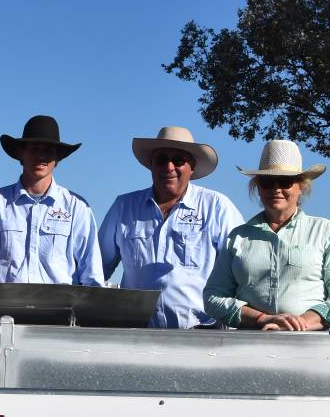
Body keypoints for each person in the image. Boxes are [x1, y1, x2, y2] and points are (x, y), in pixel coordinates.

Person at [203, 140, 330, 330]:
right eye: (268, 182)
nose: (276, 189)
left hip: (310, 347)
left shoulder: (324, 231)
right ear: (258, 187)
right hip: (248, 346)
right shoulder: (238, 237)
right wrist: (261, 319)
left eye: (285, 181)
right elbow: (213, 297)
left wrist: (304, 322)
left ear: (300, 186)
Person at [98, 126, 244, 327]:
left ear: (191, 167)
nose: (169, 167)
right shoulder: (124, 206)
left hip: (202, 335)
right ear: (151, 164)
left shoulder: (217, 206)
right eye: (161, 159)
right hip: (135, 334)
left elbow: (241, 270)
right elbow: (96, 270)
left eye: (178, 160)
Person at [0, 115, 104, 285]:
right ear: (20, 153)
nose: (40, 156)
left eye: (48, 150)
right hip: (5, 308)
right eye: (34, 148)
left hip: (61, 309)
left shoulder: (77, 207)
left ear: (57, 157)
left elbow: (92, 273)